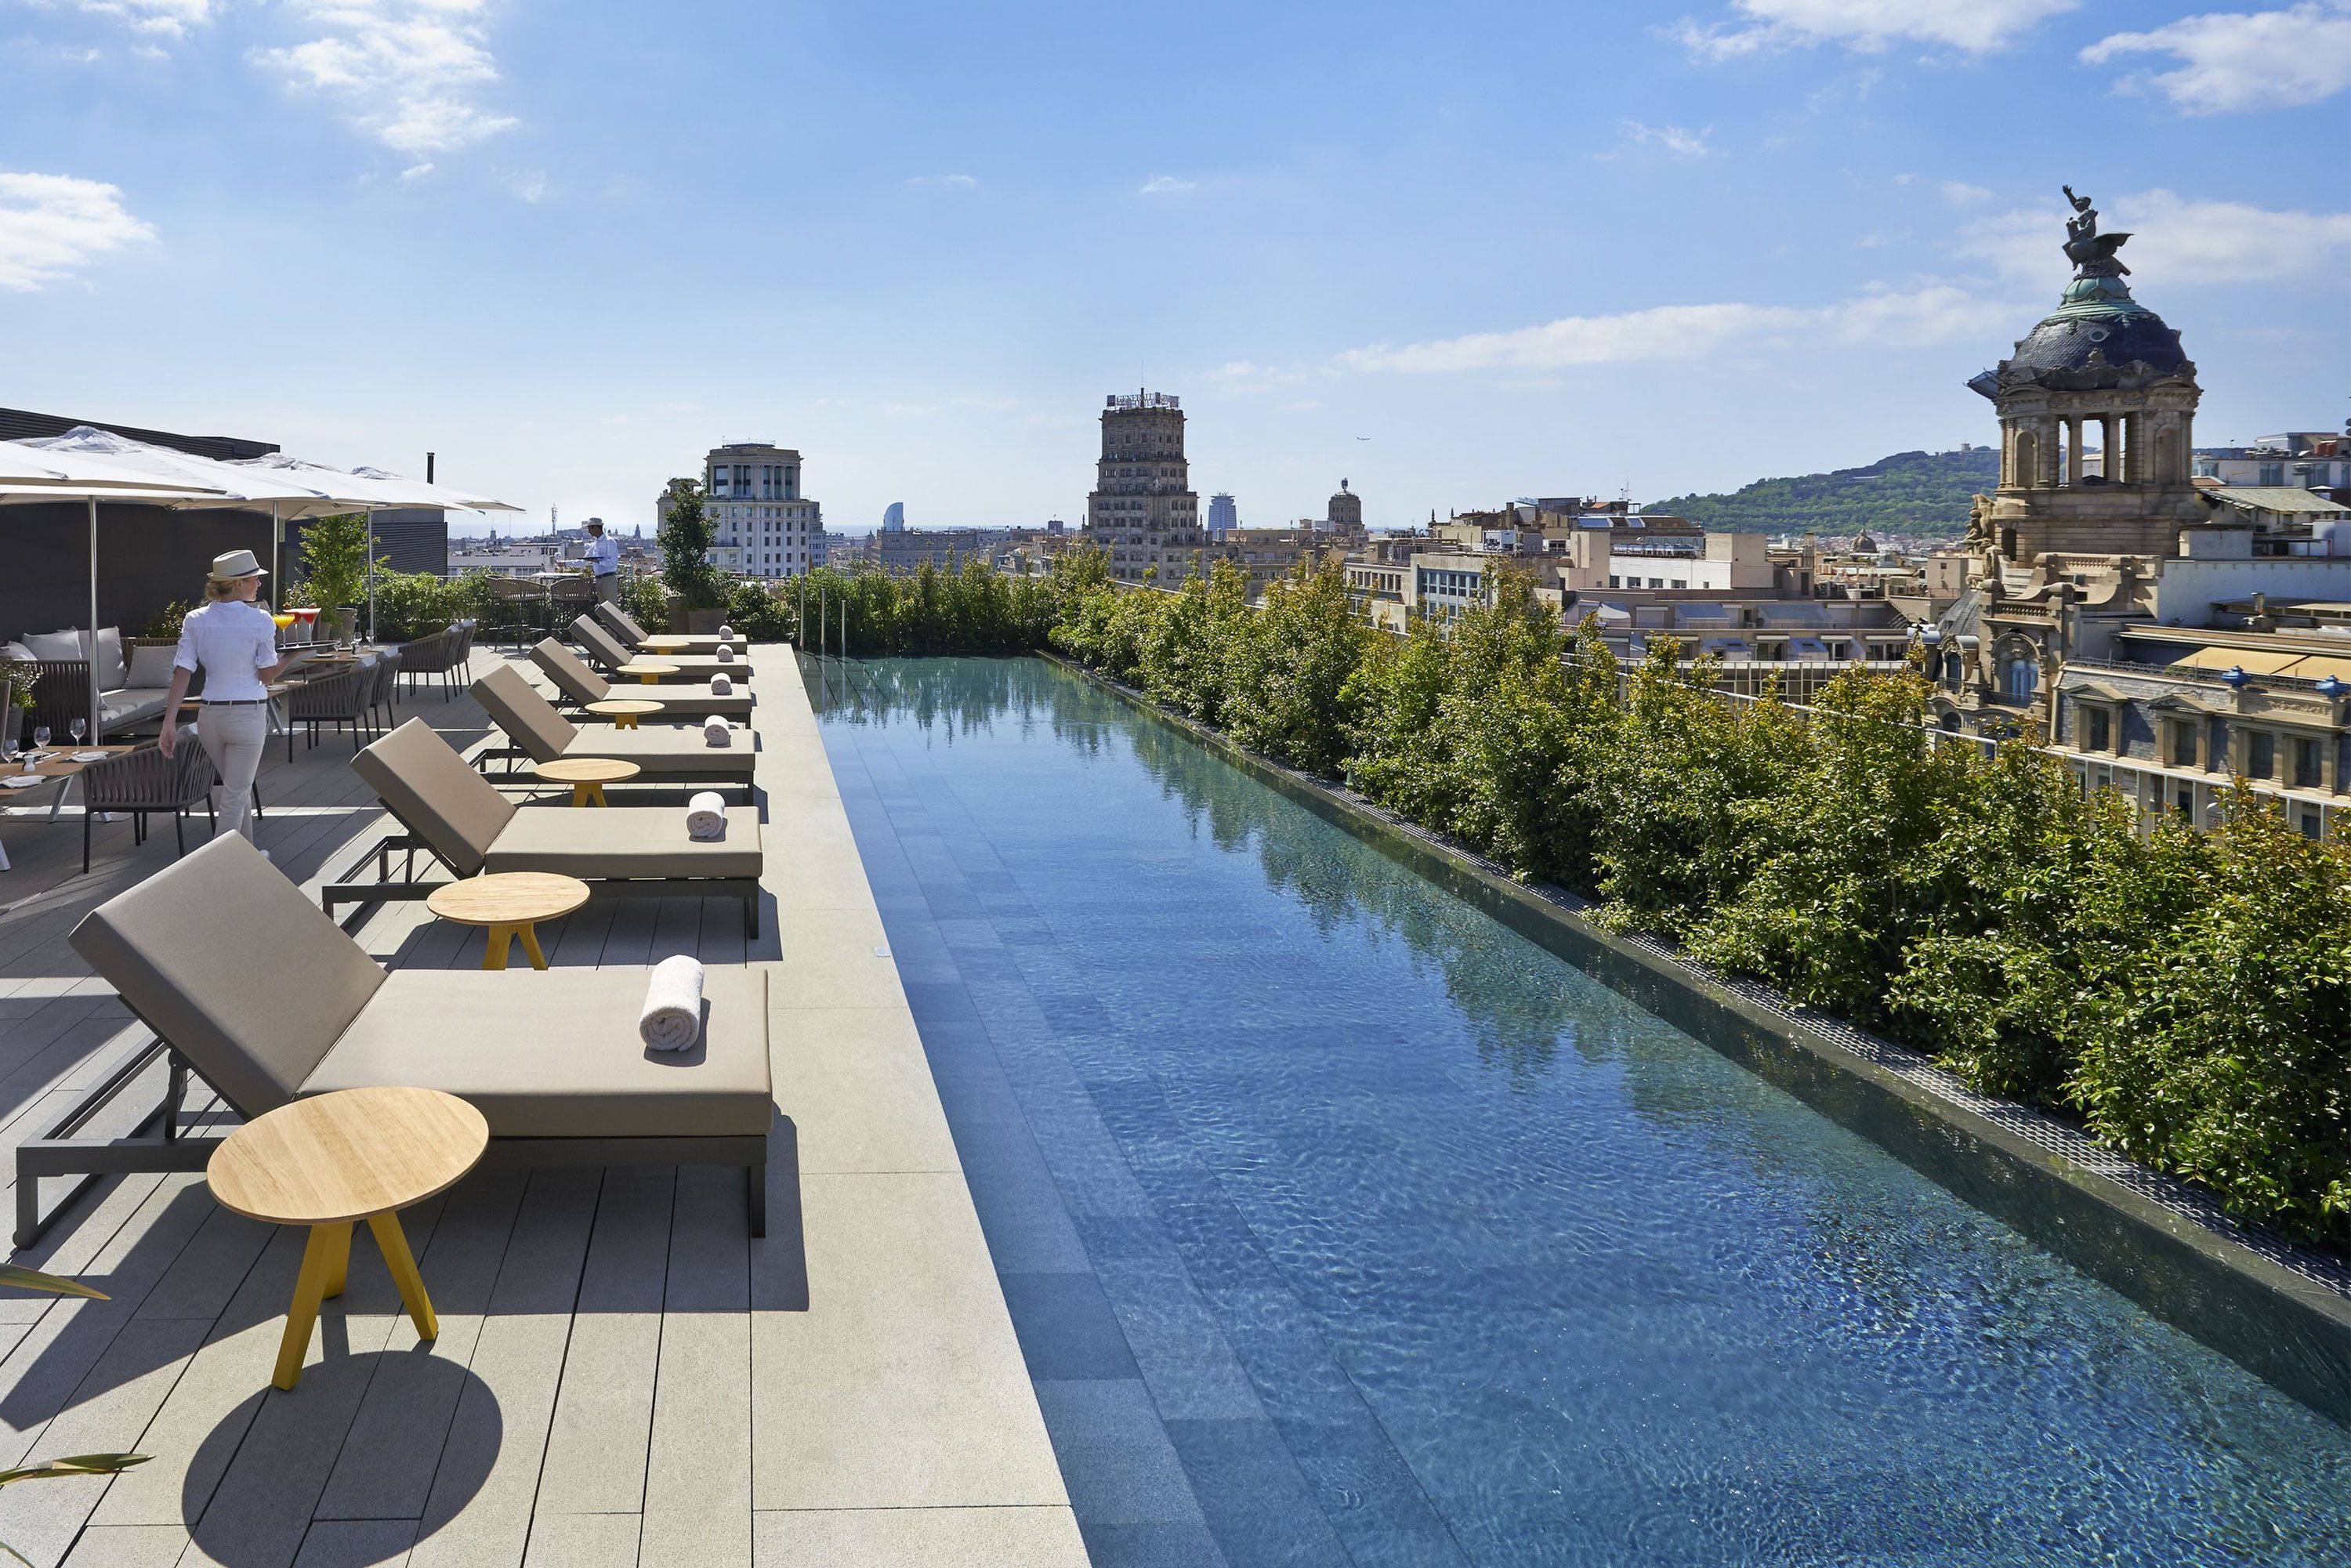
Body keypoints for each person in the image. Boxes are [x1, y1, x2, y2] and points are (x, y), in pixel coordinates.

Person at [159, 549, 301, 842]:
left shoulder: (194, 619)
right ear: (238, 584)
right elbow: (267, 675)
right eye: (254, 579)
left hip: (210, 718)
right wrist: (294, 657)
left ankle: (248, 859)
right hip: (248, 717)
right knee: (235, 796)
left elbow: (182, 672)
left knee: (239, 789)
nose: (258, 584)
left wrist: (168, 722)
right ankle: (215, 870)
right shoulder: (261, 620)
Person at [585, 518, 620, 605]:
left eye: (590, 528)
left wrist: (598, 561)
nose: (589, 531)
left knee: (612, 608)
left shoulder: (609, 541)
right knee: (604, 609)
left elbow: (613, 562)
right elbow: (585, 559)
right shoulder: (595, 544)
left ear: (596, 527)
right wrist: (566, 563)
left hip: (608, 579)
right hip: (599, 580)